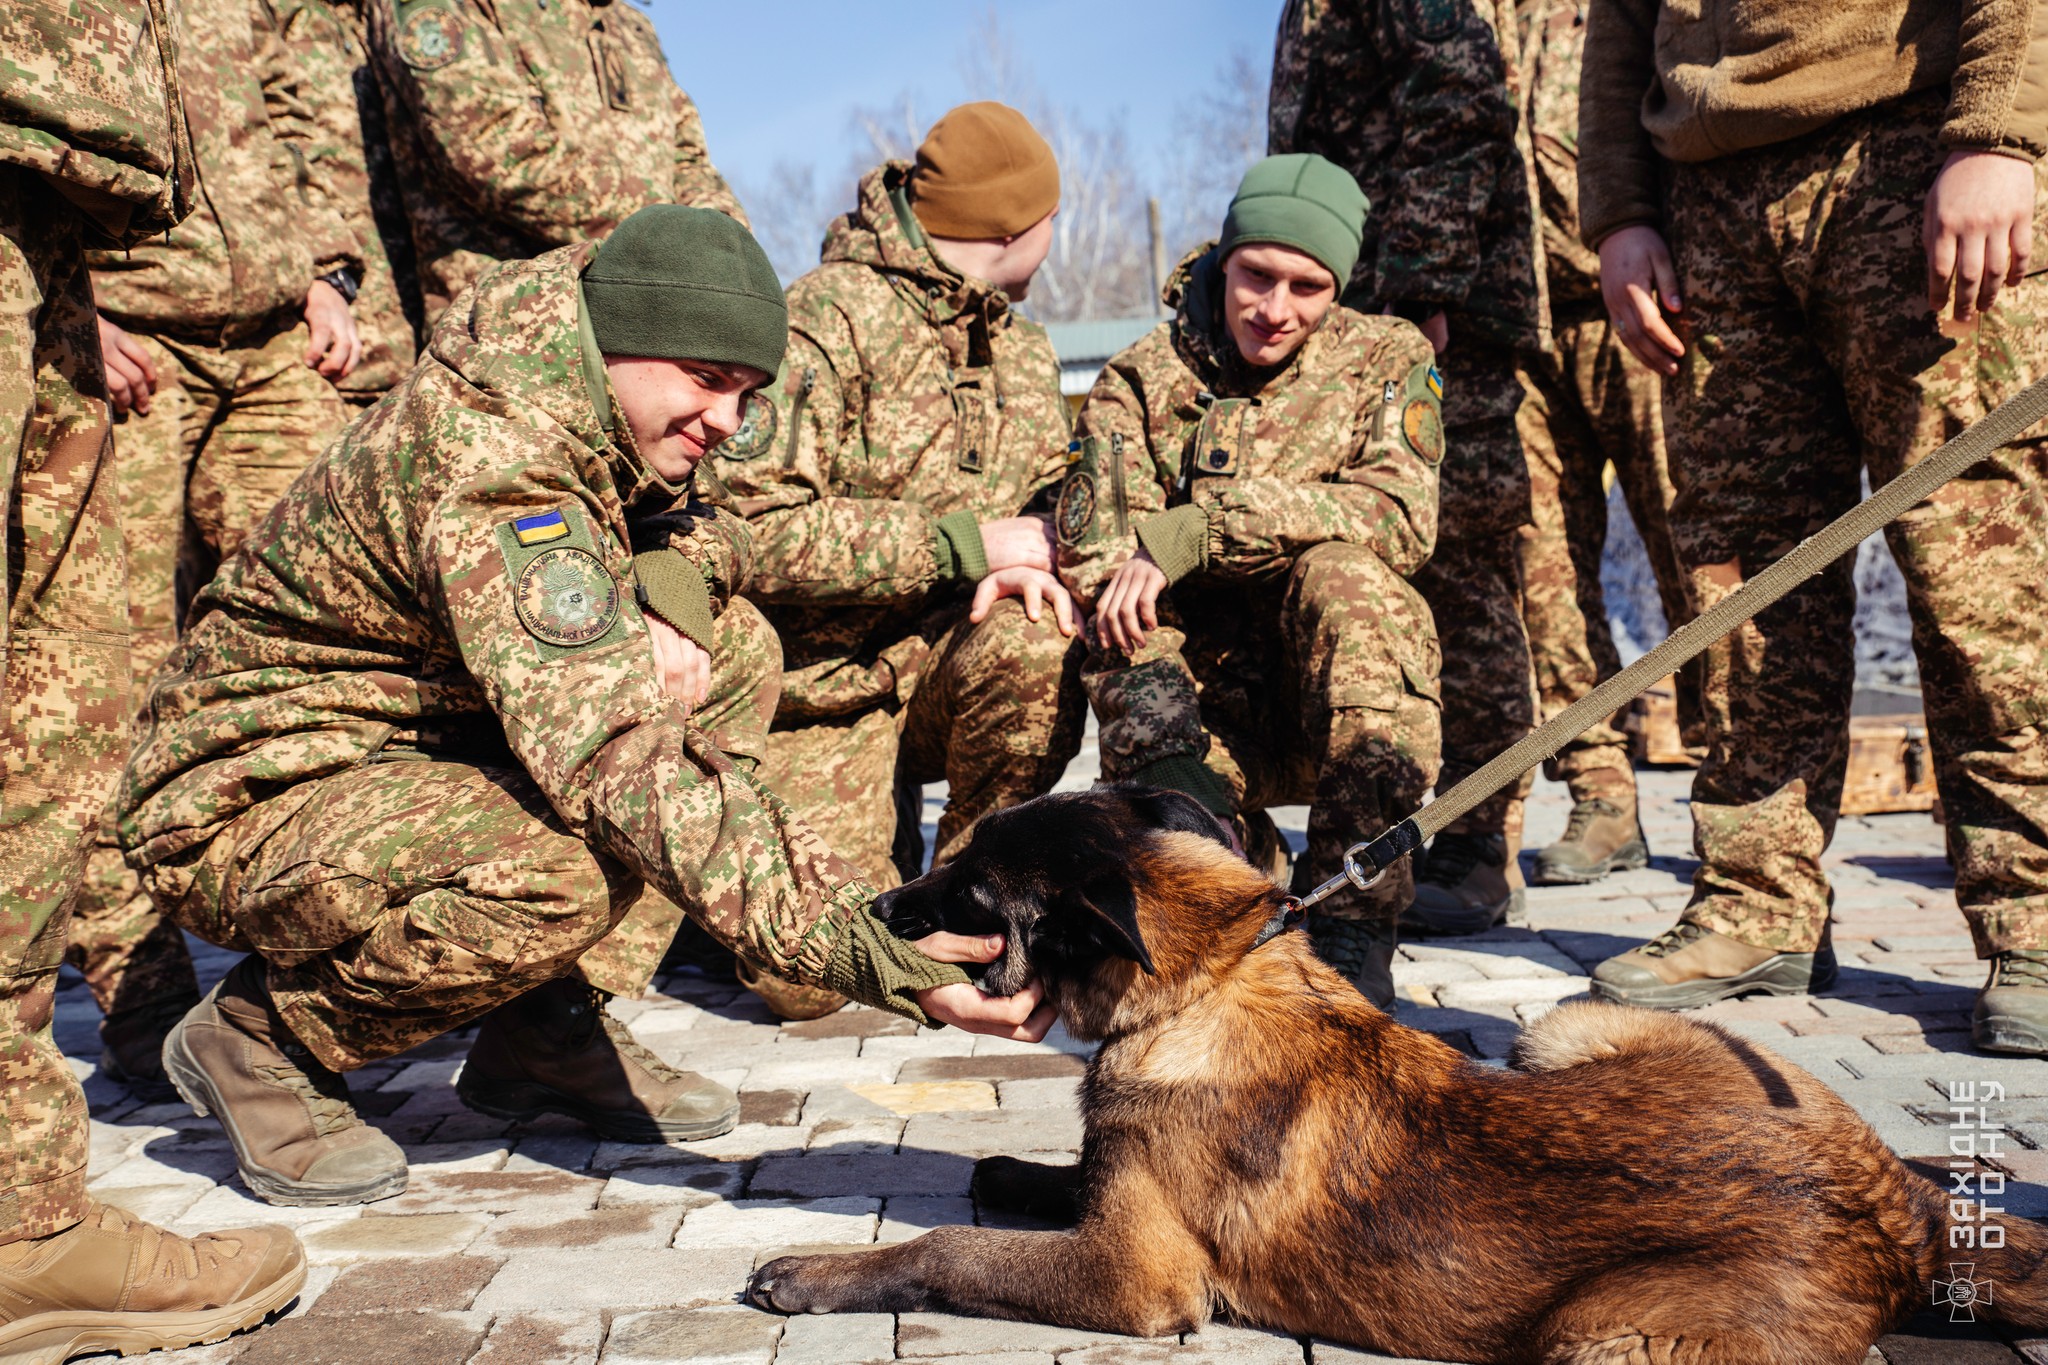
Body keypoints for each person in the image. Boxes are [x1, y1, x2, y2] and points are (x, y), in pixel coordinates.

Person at [116, 206, 1052, 1208]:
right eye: (706, 383)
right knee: (565, 870)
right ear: (625, 340)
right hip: (244, 790)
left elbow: (719, 535)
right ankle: (268, 1032)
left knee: (729, 647)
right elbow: (617, 756)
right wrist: (864, 943)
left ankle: (543, 1021)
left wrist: (668, 576)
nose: (727, 423)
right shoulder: (501, 471)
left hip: (398, 745)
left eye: (743, 394)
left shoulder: (593, 399)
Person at [1579, 0, 2048, 1046]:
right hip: (1706, 194)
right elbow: (1615, 23)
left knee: (1976, 562)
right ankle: (1755, 900)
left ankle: (2035, 912)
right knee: (1737, 580)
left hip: (1909, 145)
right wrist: (1616, 215)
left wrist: (1997, 132)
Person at [0, 0, 307, 1355]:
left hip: (60, 222)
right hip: (81, 247)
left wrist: (326, 269)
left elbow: (285, 114)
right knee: (71, 698)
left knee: (62, 721)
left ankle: (22, 1214)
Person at [1056, 153, 1443, 1009]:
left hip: (1335, 696)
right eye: (1256, 276)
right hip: (1196, 716)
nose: (1275, 310)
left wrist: (1205, 527)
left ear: (1337, 287)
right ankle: (1218, 848)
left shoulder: (1387, 357)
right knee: (1119, 610)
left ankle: (1351, 919)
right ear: (1221, 259)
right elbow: (1098, 555)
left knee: (1351, 577)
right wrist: (1179, 784)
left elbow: (1404, 517)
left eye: (1308, 287)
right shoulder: (1140, 377)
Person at [68, 0, 367, 1103]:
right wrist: (53, 302)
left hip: (274, 335)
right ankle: (139, 1004)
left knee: (326, 639)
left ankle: (298, 992)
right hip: (118, 331)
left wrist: (330, 272)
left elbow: (299, 99)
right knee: (104, 674)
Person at [716, 103, 1082, 927]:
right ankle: (864, 856)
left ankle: (971, 899)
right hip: (824, 690)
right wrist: (962, 546)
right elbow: (748, 526)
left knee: (1035, 646)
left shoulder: (1023, 347)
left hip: (951, 662)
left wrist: (1031, 553)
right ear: (1021, 223)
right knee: (808, 976)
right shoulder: (823, 320)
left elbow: (1052, 490)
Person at [1269, 0, 1549, 934]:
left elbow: (1463, 97)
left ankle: (1475, 842)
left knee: (1462, 566)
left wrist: (1423, 281)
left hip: (1435, 315)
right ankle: (1406, 826)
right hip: (1356, 309)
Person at [1508, 0, 1697, 890]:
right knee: (1542, 577)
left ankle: (1742, 805)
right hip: (1512, 319)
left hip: (1648, 288)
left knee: (1698, 549)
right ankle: (1602, 796)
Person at [365, 0, 746, 329]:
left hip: (649, 319)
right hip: (515, 325)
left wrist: (730, 250)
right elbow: (493, 147)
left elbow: (689, 158)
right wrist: (677, 241)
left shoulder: (628, 24)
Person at [273, 0, 424, 407]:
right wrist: (321, 277)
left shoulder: (386, 18)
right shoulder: (268, 14)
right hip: (321, 343)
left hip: (411, 343)